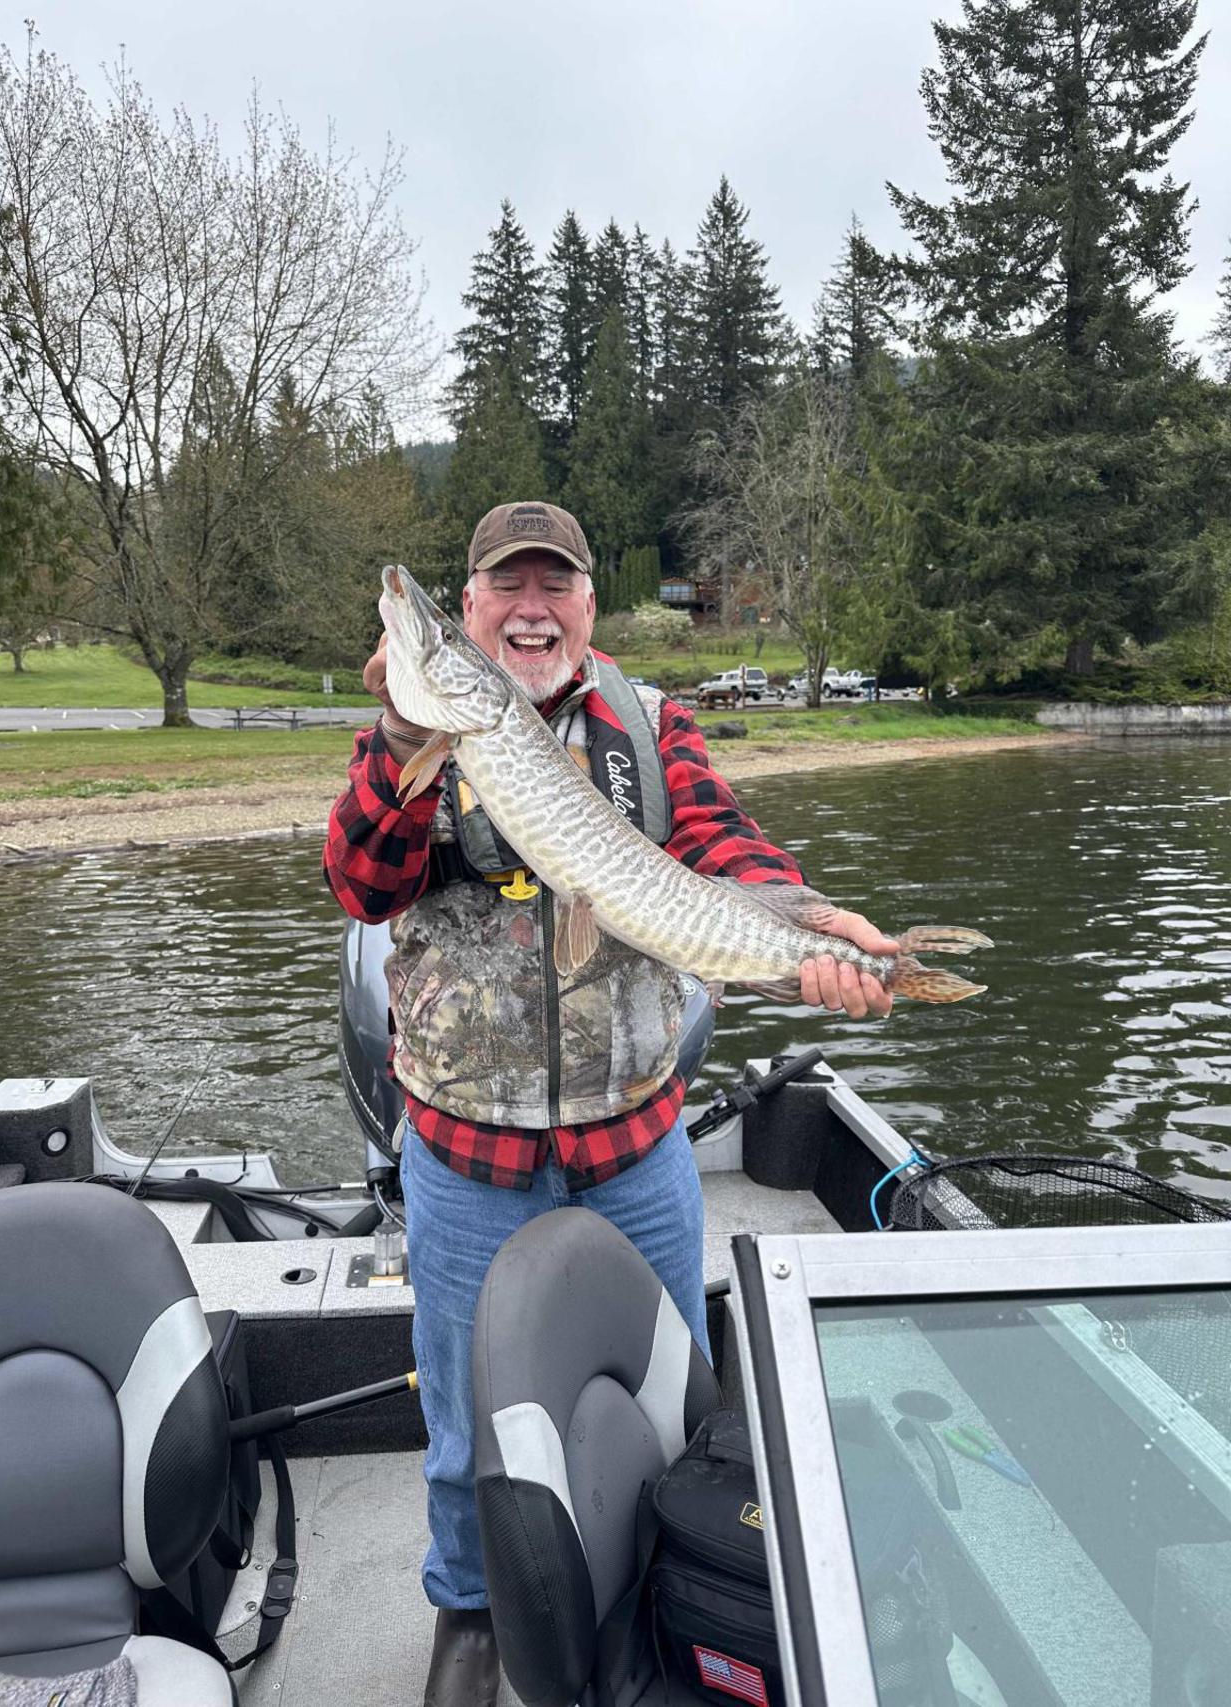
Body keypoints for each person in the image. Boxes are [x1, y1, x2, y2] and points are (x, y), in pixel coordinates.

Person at [322, 500, 896, 1707]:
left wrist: (805, 923)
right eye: (498, 592)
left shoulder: (648, 724)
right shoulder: (427, 739)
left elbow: (722, 842)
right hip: (464, 1148)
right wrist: (393, 724)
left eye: (555, 588)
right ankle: (469, 1614)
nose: (529, 609)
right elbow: (361, 885)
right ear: (472, 616)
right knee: (467, 1418)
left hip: (634, 1139)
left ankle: (657, 1596)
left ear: (585, 605)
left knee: (663, 1400)